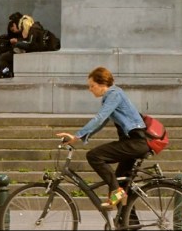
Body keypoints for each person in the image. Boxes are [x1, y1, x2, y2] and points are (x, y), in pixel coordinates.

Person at [55, 66, 150, 208]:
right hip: (132, 142)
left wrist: (77, 136)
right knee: (120, 184)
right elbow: (102, 123)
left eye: (92, 86)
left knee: (95, 156)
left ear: (102, 84)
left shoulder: (114, 94)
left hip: (135, 141)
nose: (90, 89)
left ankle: (117, 192)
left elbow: (99, 118)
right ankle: (127, 223)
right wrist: (79, 137)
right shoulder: (111, 96)